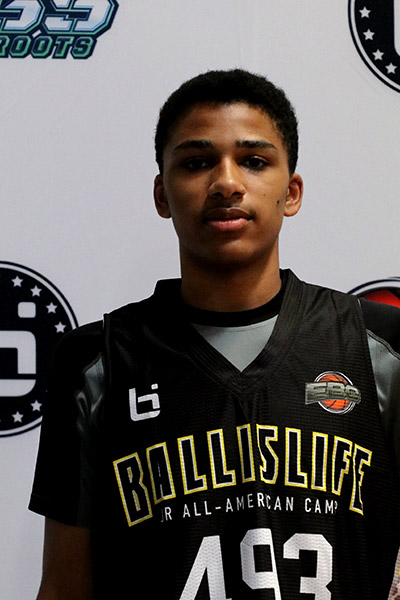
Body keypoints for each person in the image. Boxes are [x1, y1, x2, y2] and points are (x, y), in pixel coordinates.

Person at [30, 69, 400, 599]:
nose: (227, 183)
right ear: (162, 194)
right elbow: (65, 588)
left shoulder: (380, 348)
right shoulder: (96, 362)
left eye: (254, 161)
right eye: (196, 163)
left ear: (292, 192)